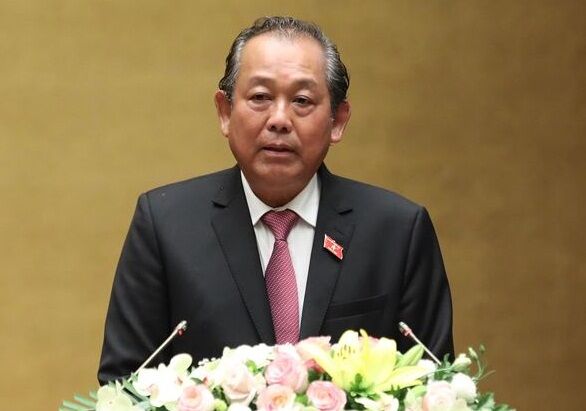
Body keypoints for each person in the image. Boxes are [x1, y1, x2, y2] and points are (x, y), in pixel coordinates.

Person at [98, 16, 453, 383]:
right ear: (225, 112)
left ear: (337, 120)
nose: (279, 119)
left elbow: (437, 386)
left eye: (302, 100)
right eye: (260, 98)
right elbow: (122, 386)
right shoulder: (165, 225)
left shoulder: (397, 232)